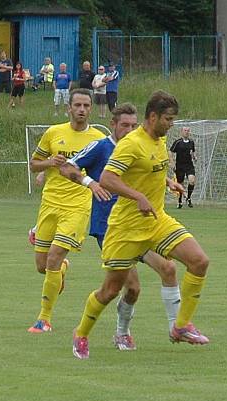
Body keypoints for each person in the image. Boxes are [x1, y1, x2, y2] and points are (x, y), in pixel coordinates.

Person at [71, 90, 210, 360]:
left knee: (199, 261)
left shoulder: (159, 140)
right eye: (168, 119)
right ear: (153, 116)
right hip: (126, 228)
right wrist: (138, 196)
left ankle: (180, 326)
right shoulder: (131, 143)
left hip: (156, 221)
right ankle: (81, 333)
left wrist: (169, 182)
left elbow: (148, 169)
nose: (171, 124)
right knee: (111, 290)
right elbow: (108, 179)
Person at [58, 103, 182, 351]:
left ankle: (170, 329)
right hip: (113, 228)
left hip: (143, 224)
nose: (128, 129)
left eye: (132, 125)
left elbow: (142, 171)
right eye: (124, 125)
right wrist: (90, 183)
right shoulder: (102, 147)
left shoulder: (140, 144)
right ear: (113, 125)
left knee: (168, 268)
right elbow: (66, 166)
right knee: (129, 287)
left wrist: (167, 180)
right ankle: (106, 332)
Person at [27, 89, 106, 334]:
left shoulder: (99, 139)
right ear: (69, 108)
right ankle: (61, 269)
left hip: (79, 206)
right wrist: (50, 163)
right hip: (50, 204)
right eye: (78, 105)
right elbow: (33, 164)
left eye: (86, 105)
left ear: (91, 109)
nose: (82, 109)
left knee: (53, 256)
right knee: (43, 266)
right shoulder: (54, 133)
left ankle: (44, 319)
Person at [169, 126, 197, 208]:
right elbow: (170, 152)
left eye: (188, 130)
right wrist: (172, 163)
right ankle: (180, 201)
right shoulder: (178, 142)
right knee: (180, 184)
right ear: (181, 132)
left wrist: (194, 157)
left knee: (192, 181)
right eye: (185, 130)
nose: (187, 132)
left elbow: (193, 152)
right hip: (179, 165)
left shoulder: (191, 142)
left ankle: (188, 198)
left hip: (189, 165)